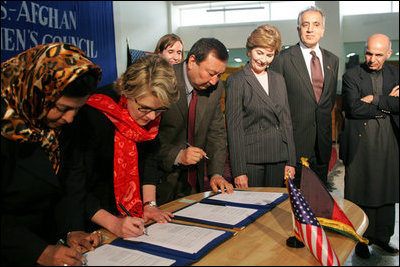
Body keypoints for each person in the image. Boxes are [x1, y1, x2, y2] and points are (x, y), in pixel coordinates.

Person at [1, 43, 103, 266]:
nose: (70, 118)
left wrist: (71, 229)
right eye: (63, 108)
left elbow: (71, 180)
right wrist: (37, 251)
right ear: (37, 91)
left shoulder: (64, 124)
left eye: (77, 109)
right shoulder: (7, 121)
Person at [73, 54, 179, 238]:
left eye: (159, 110)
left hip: (131, 216)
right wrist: (112, 222)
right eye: (144, 108)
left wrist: (150, 205)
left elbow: (149, 157)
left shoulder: (151, 110)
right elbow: (75, 183)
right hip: (92, 217)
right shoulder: (93, 114)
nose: (152, 118)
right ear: (127, 91)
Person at [340, 33, 399, 258]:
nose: (372, 59)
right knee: (361, 192)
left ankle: (383, 239)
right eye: (369, 53)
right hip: (361, 143)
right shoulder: (351, 76)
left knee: (386, 190)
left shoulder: (396, 74)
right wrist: (389, 104)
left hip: (390, 141)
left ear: (389, 54)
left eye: (378, 55)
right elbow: (354, 108)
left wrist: (374, 98)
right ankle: (361, 241)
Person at [156, 37, 234, 204]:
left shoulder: (215, 87)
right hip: (158, 179)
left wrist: (216, 174)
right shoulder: (162, 80)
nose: (214, 80)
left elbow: (217, 133)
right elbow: (145, 137)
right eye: (211, 73)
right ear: (192, 61)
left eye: (219, 75)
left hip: (193, 182)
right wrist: (177, 155)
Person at [270, 6, 339, 190]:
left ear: (323, 30)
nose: (310, 29)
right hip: (294, 147)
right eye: (305, 24)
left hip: (322, 146)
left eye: (316, 24)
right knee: (296, 207)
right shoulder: (283, 60)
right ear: (298, 29)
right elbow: (276, 106)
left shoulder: (333, 60)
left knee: (320, 203)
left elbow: (328, 101)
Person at [225, 24, 296, 188]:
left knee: (276, 208)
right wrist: (239, 170)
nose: (263, 59)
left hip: (279, 156)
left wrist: (291, 160)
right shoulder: (236, 80)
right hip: (251, 160)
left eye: (269, 55)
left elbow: (286, 121)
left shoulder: (278, 79)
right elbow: (234, 128)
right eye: (259, 52)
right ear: (250, 50)